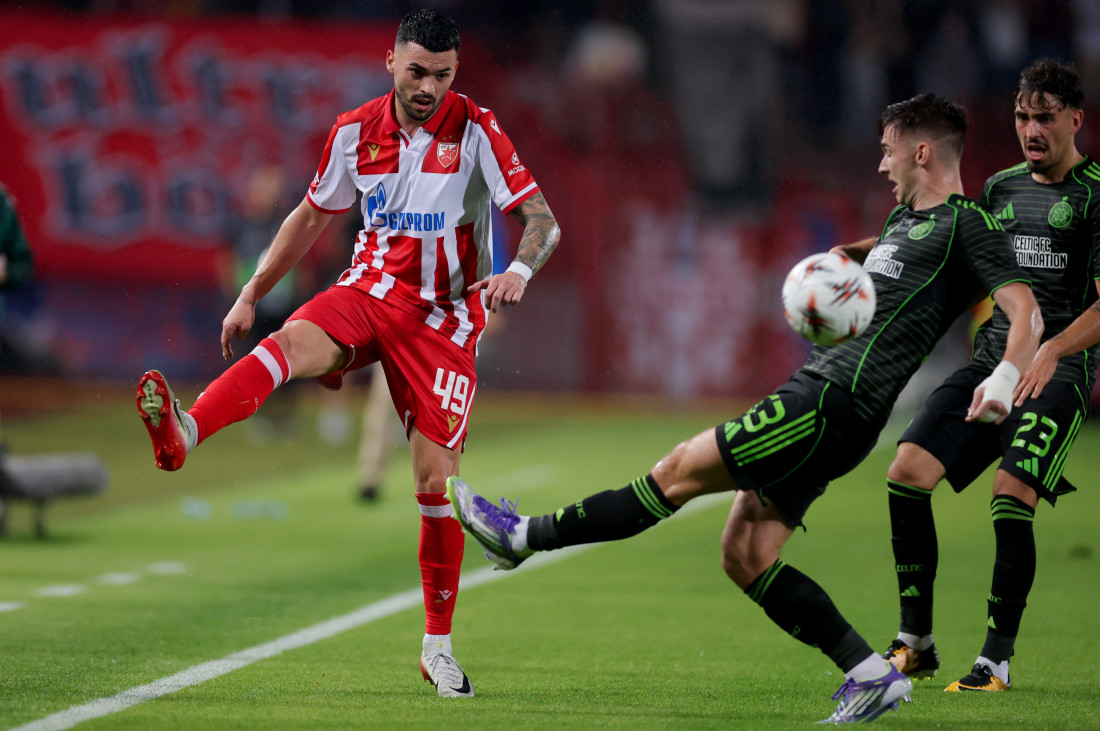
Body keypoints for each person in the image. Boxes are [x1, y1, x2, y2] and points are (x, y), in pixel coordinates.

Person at [447, 93, 1042, 724]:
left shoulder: (968, 225)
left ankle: (521, 537)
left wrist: (1004, 377)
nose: (881, 164)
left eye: (888, 151)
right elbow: (878, 254)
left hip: (831, 399)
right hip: (838, 407)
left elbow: (1025, 311)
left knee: (677, 471)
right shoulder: (905, 221)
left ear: (921, 153)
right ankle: (870, 675)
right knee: (746, 554)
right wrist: (836, 262)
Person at [136, 9, 560, 699]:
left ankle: (437, 647)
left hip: (444, 322)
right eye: (417, 71)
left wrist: (519, 271)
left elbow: (542, 219)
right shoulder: (353, 132)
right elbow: (310, 216)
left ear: (456, 73)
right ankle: (185, 432)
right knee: (284, 344)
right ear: (390, 62)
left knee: (435, 486)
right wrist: (250, 292)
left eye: (442, 75)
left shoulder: (478, 130)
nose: (428, 87)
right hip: (368, 291)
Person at [881, 59, 1098, 692]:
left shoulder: (1095, 196)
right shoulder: (1000, 189)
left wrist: (1053, 350)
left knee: (1010, 494)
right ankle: (915, 643)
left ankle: (994, 662)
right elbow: (967, 260)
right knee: (905, 472)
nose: (1031, 129)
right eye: (1023, 116)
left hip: (1059, 374)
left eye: (1045, 117)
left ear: (1075, 120)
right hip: (992, 365)